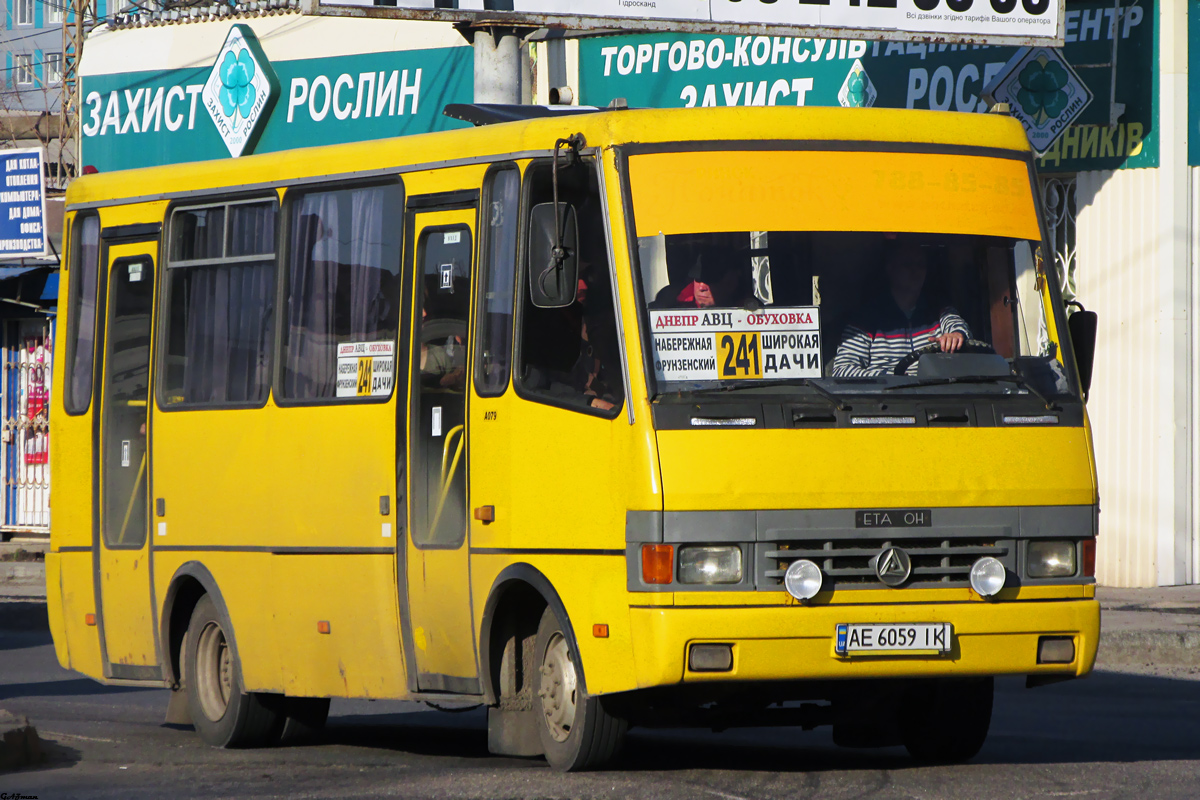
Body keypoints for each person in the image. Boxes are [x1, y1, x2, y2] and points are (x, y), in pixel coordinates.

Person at [831, 243, 970, 377]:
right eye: (907, 264)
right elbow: (843, 371)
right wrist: (891, 378)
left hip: (938, 397)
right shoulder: (865, 319)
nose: (915, 271)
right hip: (885, 399)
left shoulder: (938, 310)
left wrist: (956, 335)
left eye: (920, 265)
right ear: (890, 269)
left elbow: (957, 325)